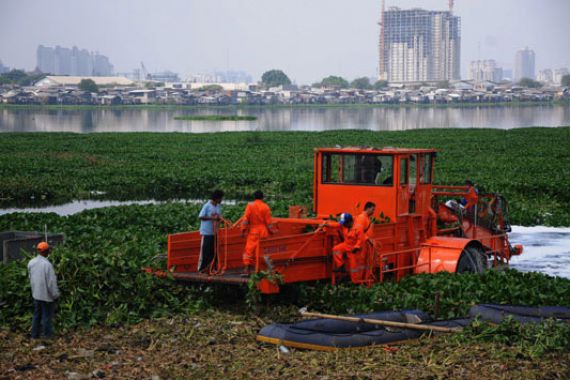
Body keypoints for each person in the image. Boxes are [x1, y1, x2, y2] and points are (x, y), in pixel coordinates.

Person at [28, 242, 60, 339]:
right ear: (46, 251)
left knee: (37, 315)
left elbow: (30, 278)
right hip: (46, 296)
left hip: (36, 294)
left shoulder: (31, 262)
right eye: (48, 250)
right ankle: (47, 336)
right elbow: (51, 283)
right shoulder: (47, 265)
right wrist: (55, 295)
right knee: (47, 317)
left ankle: (34, 335)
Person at [241, 190, 273, 276]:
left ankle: (247, 269)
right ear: (262, 197)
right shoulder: (266, 207)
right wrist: (271, 231)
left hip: (253, 232)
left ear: (254, 197)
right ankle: (260, 269)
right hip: (263, 231)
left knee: (249, 250)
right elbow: (269, 222)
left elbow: (245, 219)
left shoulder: (250, 205)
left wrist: (243, 230)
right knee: (262, 251)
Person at [332, 213, 365, 282]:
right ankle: (341, 266)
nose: (343, 225)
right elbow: (337, 225)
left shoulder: (358, 228)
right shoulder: (345, 226)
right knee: (335, 249)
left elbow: (360, 240)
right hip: (346, 244)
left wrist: (356, 247)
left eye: (344, 223)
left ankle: (355, 282)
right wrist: (326, 224)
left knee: (353, 267)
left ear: (349, 221)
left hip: (354, 248)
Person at [197, 189, 224, 272]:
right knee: (206, 252)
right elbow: (201, 216)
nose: (222, 200)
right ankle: (202, 269)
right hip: (207, 232)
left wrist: (220, 219)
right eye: (221, 198)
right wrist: (212, 218)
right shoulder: (207, 206)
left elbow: (219, 217)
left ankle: (212, 268)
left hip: (215, 232)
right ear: (216, 198)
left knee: (214, 252)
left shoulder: (218, 206)